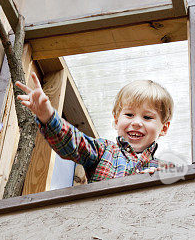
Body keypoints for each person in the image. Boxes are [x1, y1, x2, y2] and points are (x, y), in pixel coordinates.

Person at [15, 73, 175, 182]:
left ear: (164, 128)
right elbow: (73, 142)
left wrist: (159, 185)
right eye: (129, 115)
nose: (137, 122)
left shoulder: (167, 169)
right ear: (116, 120)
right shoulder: (103, 150)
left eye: (147, 117)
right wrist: (47, 116)